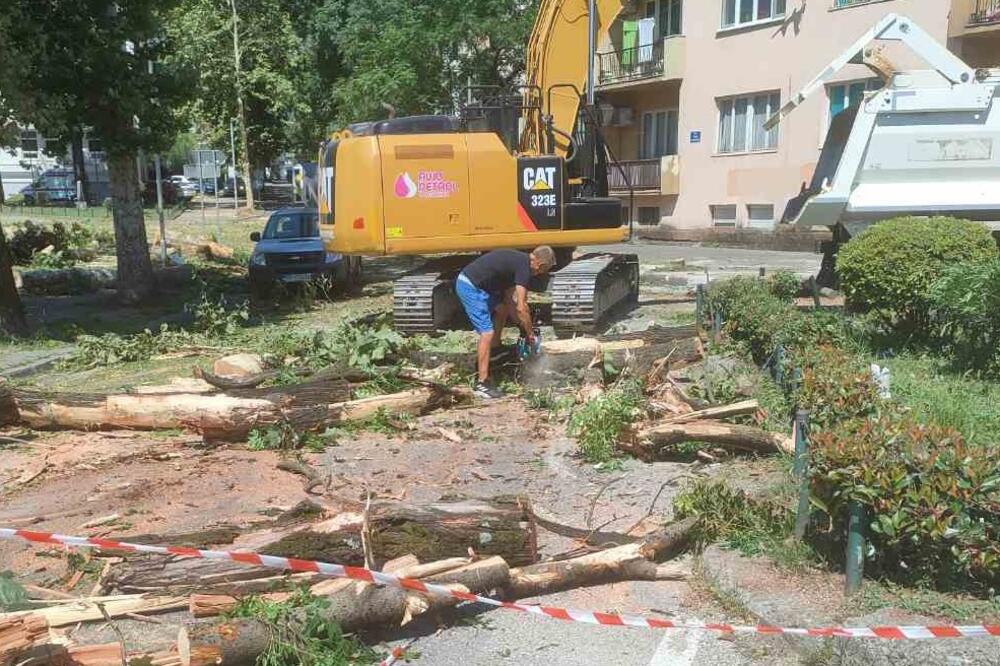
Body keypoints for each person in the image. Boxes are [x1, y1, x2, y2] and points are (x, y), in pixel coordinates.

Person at [456, 247, 557, 398]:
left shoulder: (517, 263)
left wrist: (521, 326)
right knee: (487, 333)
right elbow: (522, 307)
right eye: (541, 271)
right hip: (470, 286)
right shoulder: (524, 267)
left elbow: (511, 302)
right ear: (539, 264)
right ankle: (482, 383)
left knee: (502, 309)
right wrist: (529, 333)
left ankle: (495, 350)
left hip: (481, 287)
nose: (538, 274)